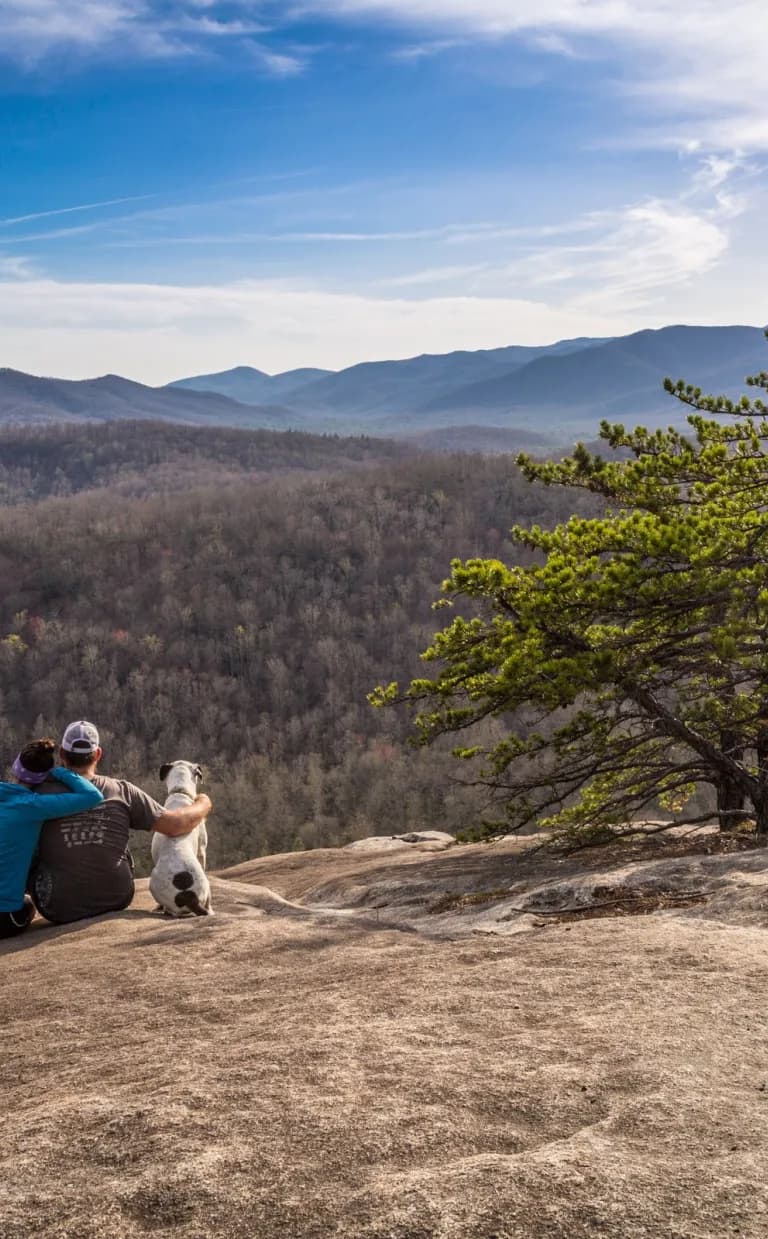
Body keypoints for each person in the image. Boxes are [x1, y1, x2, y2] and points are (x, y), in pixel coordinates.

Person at [28, 720, 211, 925]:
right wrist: (203, 803)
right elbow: (176, 825)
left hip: (57, 907)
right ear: (98, 754)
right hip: (116, 897)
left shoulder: (37, 794)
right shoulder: (121, 790)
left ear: (61, 754)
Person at [0, 737, 104, 940]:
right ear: (41, 776)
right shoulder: (34, 806)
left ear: (15, 767)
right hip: (5, 918)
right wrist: (59, 771)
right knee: (28, 903)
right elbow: (93, 796)